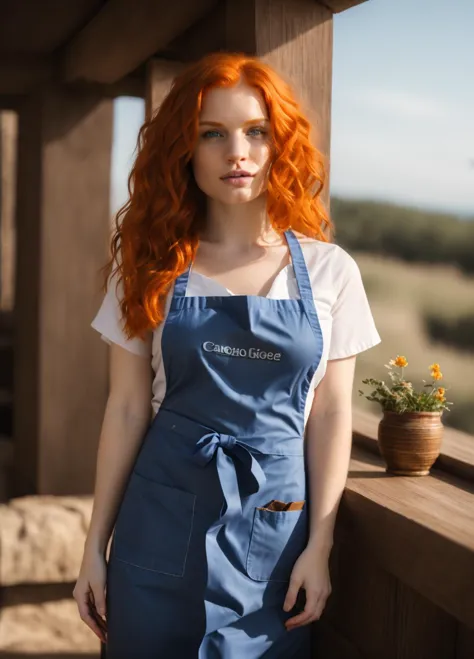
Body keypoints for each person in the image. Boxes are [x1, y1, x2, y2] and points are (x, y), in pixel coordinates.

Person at [73, 51, 381, 657]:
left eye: (255, 132)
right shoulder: (149, 269)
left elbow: (331, 413)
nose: (236, 152)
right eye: (212, 133)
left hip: (276, 541)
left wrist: (320, 546)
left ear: (279, 144)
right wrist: (93, 547)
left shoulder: (329, 272)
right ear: (183, 150)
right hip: (155, 528)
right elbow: (129, 409)